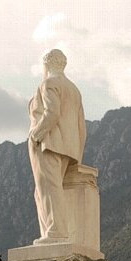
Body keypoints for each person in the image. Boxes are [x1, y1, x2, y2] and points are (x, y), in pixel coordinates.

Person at [27, 48, 86, 245]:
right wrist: (78, 152)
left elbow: (52, 112)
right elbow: (81, 126)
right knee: (47, 189)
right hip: (68, 147)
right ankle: (52, 231)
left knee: (48, 189)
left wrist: (36, 134)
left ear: (46, 64)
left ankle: (55, 233)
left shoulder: (49, 83)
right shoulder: (74, 89)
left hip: (49, 143)